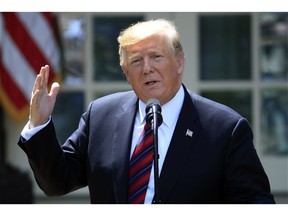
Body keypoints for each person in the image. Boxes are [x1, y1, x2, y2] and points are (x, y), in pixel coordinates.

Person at [18, 19, 275, 204]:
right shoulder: (101, 115)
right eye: (136, 61)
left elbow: (255, 202)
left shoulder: (226, 128)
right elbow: (56, 182)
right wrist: (39, 124)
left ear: (179, 63)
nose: (147, 68)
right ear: (126, 73)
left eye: (156, 56)